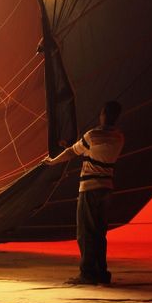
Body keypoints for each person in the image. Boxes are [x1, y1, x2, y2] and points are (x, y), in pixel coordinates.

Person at [43, 100, 125, 285]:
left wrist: (53, 161)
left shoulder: (93, 135)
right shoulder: (119, 137)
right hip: (106, 189)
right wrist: (69, 147)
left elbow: (73, 152)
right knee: (99, 233)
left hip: (89, 189)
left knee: (85, 233)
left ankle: (87, 274)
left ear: (103, 113)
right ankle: (102, 273)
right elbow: (87, 149)